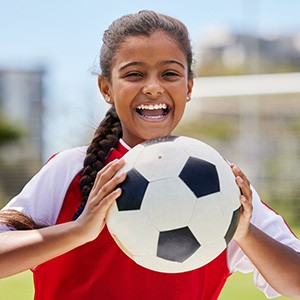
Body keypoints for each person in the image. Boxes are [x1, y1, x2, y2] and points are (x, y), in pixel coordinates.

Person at [0, 10, 299, 300]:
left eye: (169, 73)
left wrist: (245, 233)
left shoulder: (222, 185)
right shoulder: (71, 169)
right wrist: (78, 232)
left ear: (189, 86)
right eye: (134, 74)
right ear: (106, 88)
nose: (153, 87)